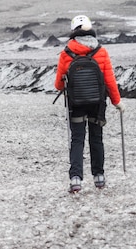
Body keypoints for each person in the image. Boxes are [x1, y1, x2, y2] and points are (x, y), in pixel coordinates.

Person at [54, 15, 126, 193]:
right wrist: (117, 102)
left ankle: (76, 179)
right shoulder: (101, 52)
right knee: (96, 138)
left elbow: (58, 85)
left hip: (75, 103)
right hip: (97, 103)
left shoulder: (66, 53)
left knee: (77, 139)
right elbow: (109, 81)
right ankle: (99, 177)